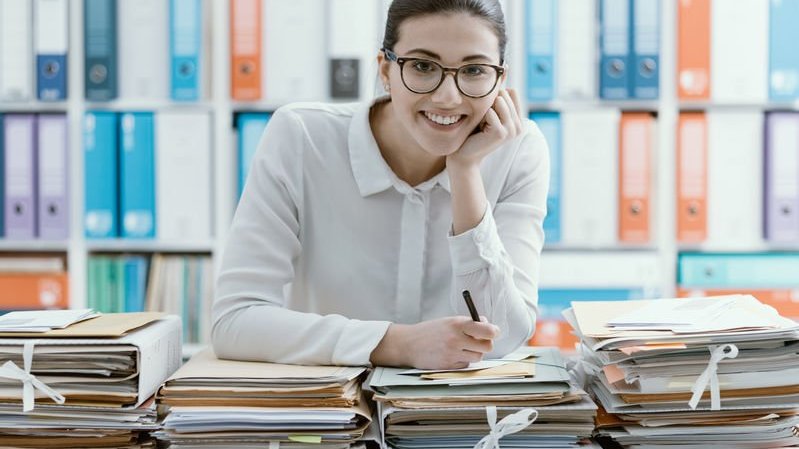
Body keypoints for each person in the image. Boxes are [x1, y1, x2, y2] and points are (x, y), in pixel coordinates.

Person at [212, 0, 549, 370]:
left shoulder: (518, 151)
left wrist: (465, 171)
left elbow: (505, 336)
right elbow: (235, 320)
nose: (448, 97)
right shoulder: (300, 136)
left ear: (500, 80)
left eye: (474, 70)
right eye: (422, 66)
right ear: (385, 69)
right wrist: (396, 344)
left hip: (449, 419)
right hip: (330, 415)